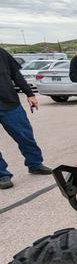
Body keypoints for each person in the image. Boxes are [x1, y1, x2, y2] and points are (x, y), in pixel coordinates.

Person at [0, 47, 52, 190]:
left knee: (25, 135)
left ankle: (35, 164)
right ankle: (2, 174)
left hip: (9, 103)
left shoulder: (1, 53)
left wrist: (30, 94)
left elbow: (16, 74)